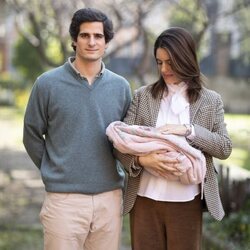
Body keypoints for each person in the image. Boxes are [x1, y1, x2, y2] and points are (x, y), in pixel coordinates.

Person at [114, 27, 232, 250]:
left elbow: (224, 148)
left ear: (186, 58)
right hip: (144, 200)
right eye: (159, 62)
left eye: (170, 62)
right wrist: (142, 161)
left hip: (186, 203)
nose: (164, 69)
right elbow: (120, 145)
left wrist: (188, 129)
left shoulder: (210, 101)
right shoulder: (143, 96)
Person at [23, 7, 131, 250]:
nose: (92, 42)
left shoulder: (121, 87)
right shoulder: (47, 84)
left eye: (98, 36)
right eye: (85, 35)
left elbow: (126, 141)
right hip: (64, 200)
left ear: (106, 42)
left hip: (109, 198)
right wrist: (55, 168)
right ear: (74, 39)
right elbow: (31, 134)